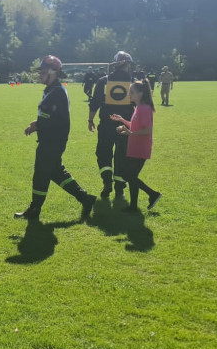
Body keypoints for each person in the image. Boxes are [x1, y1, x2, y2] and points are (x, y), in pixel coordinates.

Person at [15, 56, 96, 222]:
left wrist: (39, 125)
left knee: (41, 174)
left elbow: (59, 120)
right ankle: (86, 199)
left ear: (53, 72)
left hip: (52, 141)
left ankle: (34, 210)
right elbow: (51, 115)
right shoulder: (51, 90)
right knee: (55, 172)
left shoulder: (57, 91)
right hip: (50, 140)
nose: (40, 75)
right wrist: (37, 123)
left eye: (43, 72)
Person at [88, 51, 137, 200]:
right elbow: (141, 105)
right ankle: (119, 190)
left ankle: (107, 181)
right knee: (122, 156)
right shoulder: (134, 82)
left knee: (103, 153)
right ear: (128, 64)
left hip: (106, 125)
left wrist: (90, 121)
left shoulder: (104, 81)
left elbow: (95, 103)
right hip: (126, 126)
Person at [110, 81, 161, 212]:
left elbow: (147, 130)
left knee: (129, 176)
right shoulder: (139, 107)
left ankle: (153, 194)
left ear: (141, 93)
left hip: (140, 148)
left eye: (132, 92)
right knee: (131, 177)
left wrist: (130, 133)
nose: (129, 95)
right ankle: (133, 206)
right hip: (134, 148)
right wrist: (122, 120)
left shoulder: (144, 108)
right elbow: (134, 125)